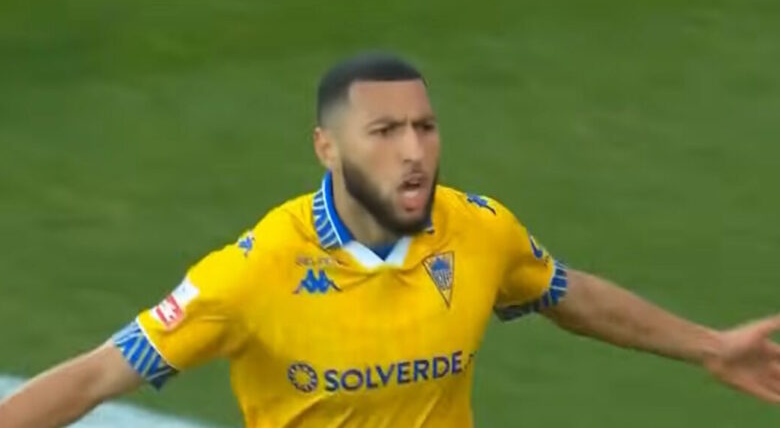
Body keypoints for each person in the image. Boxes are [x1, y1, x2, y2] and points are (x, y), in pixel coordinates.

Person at [1, 52, 779, 428]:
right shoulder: (255, 272)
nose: (414, 151)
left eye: (425, 127)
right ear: (327, 148)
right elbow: (97, 374)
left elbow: (564, 293)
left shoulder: (478, 230)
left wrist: (710, 346)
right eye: (384, 131)